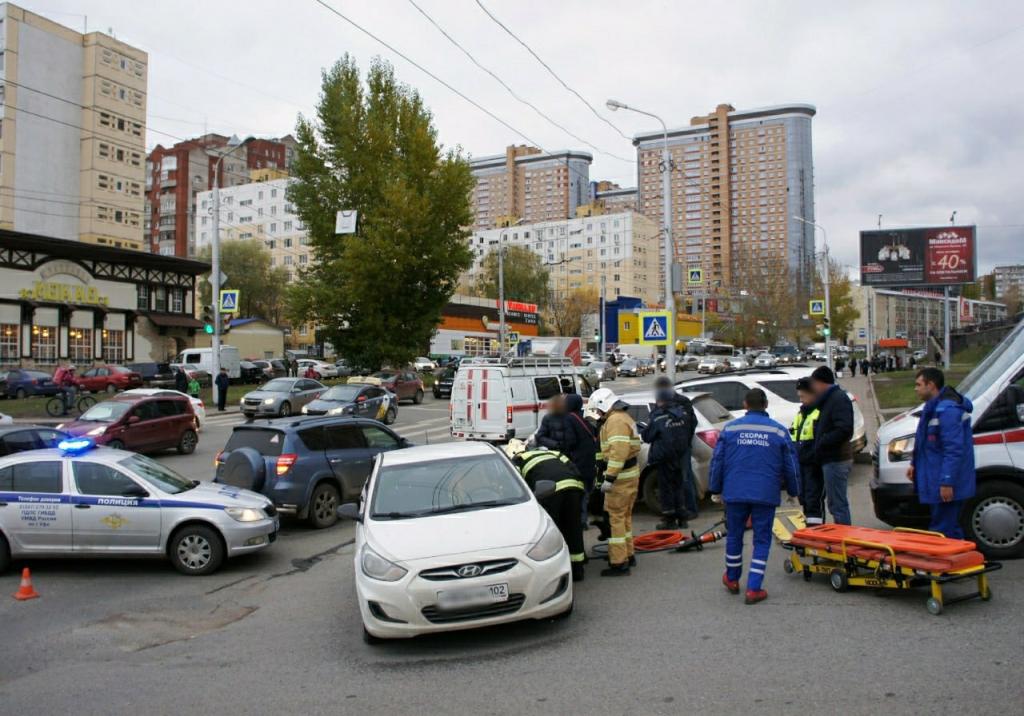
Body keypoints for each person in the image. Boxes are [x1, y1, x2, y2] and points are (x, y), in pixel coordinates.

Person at [709, 388, 800, 605]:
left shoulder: (730, 429)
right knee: (761, 540)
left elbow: (718, 461)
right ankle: (754, 588)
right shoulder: (778, 432)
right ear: (766, 405)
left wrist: (715, 489)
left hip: (735, 492)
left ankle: (731, 579)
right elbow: (791, 465)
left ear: (745, 404)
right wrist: (794, 491)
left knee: (734, 536)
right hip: (765, 493)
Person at [908, 367, 975, 538]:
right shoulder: (933, 408)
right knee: (947, 526)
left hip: (944, 482)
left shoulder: (947, 411)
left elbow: (953, 449)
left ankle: (949, 562)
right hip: (936, 478)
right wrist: (914, 464)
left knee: (944, 529)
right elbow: (925, 443)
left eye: (918, 384)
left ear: (931, 385)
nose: (915, 389)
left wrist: (947, 482)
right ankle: (957, 560)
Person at [506, 441, 586, 581]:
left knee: (551, 532)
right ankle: (578, 568)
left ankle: (554, 570)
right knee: (573, 528)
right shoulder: (555, 453)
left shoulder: (519, 460)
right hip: (574, 487)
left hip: (549, 492)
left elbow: (518, 486)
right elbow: (575, 470)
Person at [587, 388, 641, 577]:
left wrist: (609, 478)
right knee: (624, 517)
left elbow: (618, 451)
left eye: (598, 409)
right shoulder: (622, 417)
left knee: (616, 519)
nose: (598, 414)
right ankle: (628, 554)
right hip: (629, 475)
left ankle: (619, 563)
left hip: (620, 478)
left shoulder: (615, 421)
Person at [642, 386, 694, 529]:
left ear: (660, 400)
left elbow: (647, 436)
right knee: (678, 486)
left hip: (664, 458)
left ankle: (669, 520)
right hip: (680, 455)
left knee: (666, 489)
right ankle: (682, 518)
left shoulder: (659, 416)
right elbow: (689, 429)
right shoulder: (682, 413)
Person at [810, 366, 854, 524]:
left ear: (821, 383)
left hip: (837, 458)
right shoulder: (829, 399)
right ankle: (842, 535)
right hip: (831, 458)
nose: (812, 388)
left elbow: (844, 428)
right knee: (835, 503)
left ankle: (844, 538)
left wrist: (823, 441)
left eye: (814, 383)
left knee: (837, 504)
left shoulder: (838, 399)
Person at [653, 375, 700, 519]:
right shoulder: (661, 403)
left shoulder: (681, 402)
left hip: (680, 448)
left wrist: (683, 440)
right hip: (670, 449)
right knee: (672, 481)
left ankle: (690, 510)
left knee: (684, 479)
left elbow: (692, 423)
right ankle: (675, 511)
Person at [790, 378, 823, 524]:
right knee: (804, 497)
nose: (801, 400)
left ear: (812, 395)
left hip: (814, 464)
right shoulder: (801, 413)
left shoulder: (818, 413)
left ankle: (815, 530)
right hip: (801, 462)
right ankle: (810, 527)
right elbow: (794, 435)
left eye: (803, 396)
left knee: (813, 498)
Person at [563, 393, 599, 528]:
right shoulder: (583, 419)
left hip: (578, 464)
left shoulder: (568, 419)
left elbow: (569, 441)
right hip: (590, 463)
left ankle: (580, 522)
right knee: (585, 493)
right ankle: (582, 521)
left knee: (578, 494)